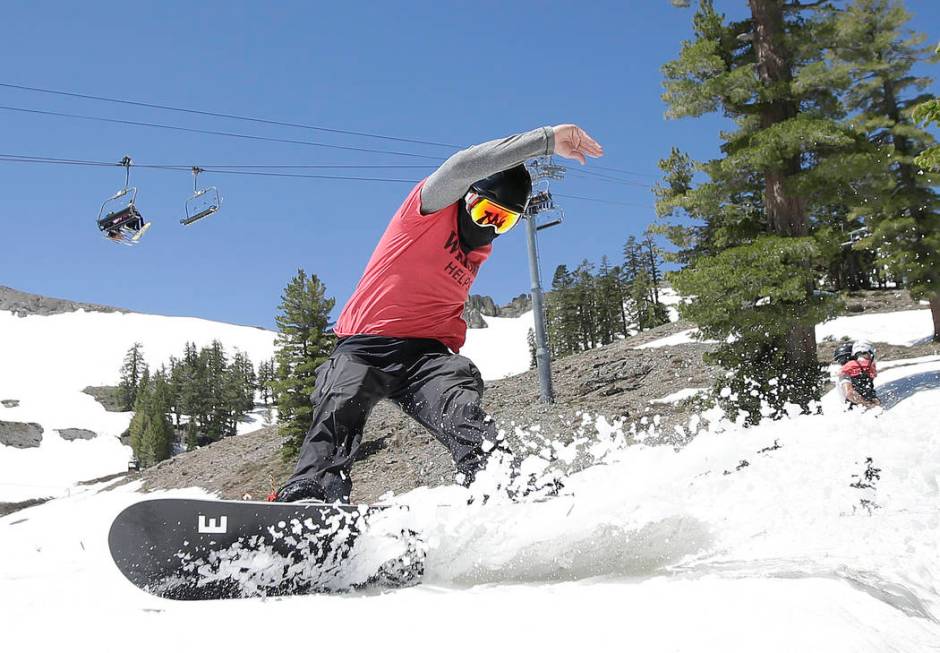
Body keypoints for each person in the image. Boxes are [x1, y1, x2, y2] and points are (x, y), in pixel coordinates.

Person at [272, 124, 604, 503]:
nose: (489, 226)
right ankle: (313, 492)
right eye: (484, 212)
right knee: (340, 405)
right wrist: (544, 140)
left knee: (459, 404)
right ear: (465, 199)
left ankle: (498, 483)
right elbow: (463, 165)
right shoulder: (426, 211)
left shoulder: (479, 250)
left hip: (425, 357)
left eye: (503, 221)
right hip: (365, 346)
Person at [837, 340, 880, 410]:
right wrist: (867, 403)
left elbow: (849, 394)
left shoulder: (847, 372)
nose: (842, 363)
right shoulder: (846, 374)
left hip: (858, 406)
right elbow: (849, 393)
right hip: (858, 407)